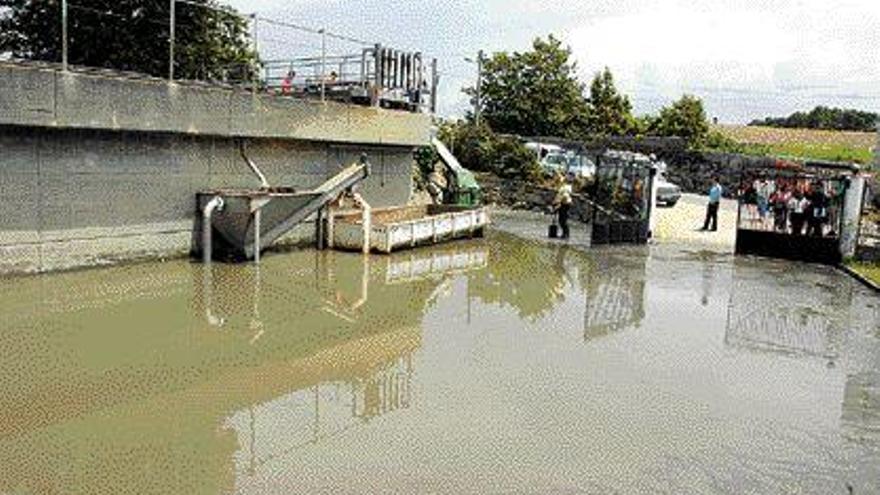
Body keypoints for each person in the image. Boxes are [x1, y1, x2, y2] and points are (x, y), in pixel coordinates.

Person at [552, 173, 574, 239]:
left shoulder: (567, 187)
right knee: (561, 219)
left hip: (565, 204)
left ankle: (566, 234)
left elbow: (564, 197)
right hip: (564, 203)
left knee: (563, 220)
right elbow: (560, 194)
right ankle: (565, 234)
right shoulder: (564, 186)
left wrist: (558, 204)